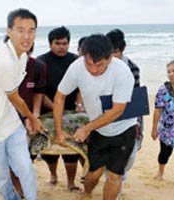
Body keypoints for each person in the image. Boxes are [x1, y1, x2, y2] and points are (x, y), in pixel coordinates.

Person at [0, 8, 46, 200]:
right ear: (9, 31)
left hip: (10, 123)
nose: (27, 36)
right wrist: (32, 119)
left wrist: (25, 118)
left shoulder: (22, 56)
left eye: (31, 30)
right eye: (20, 30)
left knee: (26, 169)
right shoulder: (3, 61)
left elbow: (13, 100)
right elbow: (14, 97)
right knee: (4, 178)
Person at [54, 34, 137, 200]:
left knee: (114, 176)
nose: (93, 69)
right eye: (89, 63)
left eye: (99, 65)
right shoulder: (77, 67)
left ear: (110, 58)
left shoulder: (122, 72)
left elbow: (117, 111)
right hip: (99, 131)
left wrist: (87, 128)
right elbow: (59, 97)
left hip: (123, 129)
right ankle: (87, 194)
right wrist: (59, 131)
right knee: (94, 173)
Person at [36, 26, 81, 192]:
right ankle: (53, 175)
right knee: (49, 150)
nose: (62, 46)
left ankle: (71, 182)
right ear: (50, 44)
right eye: (57, 43)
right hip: (47, 111)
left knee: (72, 150)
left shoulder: (76, 61)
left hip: (71, 113)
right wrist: (56, 108)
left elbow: (80, 87)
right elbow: (39, 92)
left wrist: (79, 104)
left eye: (65, 43)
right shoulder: (41, 62)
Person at [106, 28, 143, 197]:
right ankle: (115, 188)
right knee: (110, 156)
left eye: (116, 52)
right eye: (110, 52)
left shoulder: (132, 68)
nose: (113, 57)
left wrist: (135, 124)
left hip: (130, 117)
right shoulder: (101, 66)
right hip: (107, 117)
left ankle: (119, 179)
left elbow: (134, 99)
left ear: (123, 49)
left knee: (130, 156)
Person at [10, 44, 47, 198]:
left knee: (26, 157)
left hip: (30, 116)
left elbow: (39, 92)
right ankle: (17, 189)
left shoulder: (38, 67)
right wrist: (27, 117)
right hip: (8, 117)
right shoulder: (3, 67)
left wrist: (35, 116)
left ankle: (25, 187)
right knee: (10, 157)